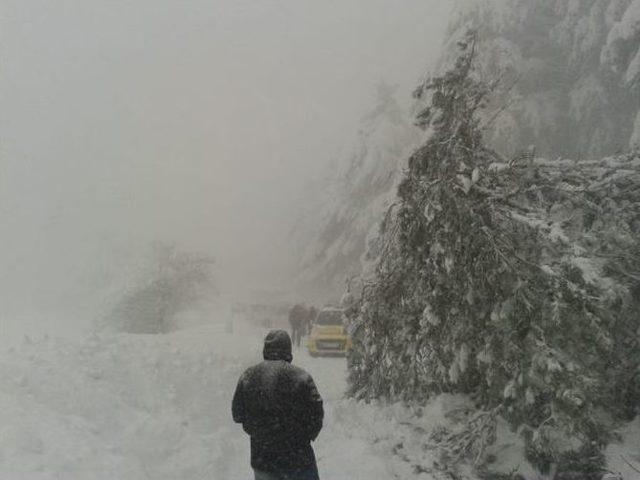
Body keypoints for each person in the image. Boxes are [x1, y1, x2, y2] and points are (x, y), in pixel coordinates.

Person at [232, 330, 324, 480]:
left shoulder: (248, 376)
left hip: (263, 459)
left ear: (265, 350)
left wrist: (258, 431)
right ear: (288, 350)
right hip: (299, 459)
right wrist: (302, 436)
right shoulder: (302, 377)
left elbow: (237, 414)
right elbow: (316, 414)